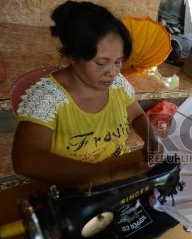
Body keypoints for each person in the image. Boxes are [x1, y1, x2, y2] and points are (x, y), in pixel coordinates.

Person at [12, 1, 161, 187]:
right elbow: (26, 160)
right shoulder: (48, 97)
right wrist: (110, 173)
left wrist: (151, 138)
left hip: (116, 171)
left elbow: (137, 115)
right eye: (101, 63)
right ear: (73, 57)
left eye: (118, 61)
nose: (112, 72)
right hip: (73, 184)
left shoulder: (117, 84)